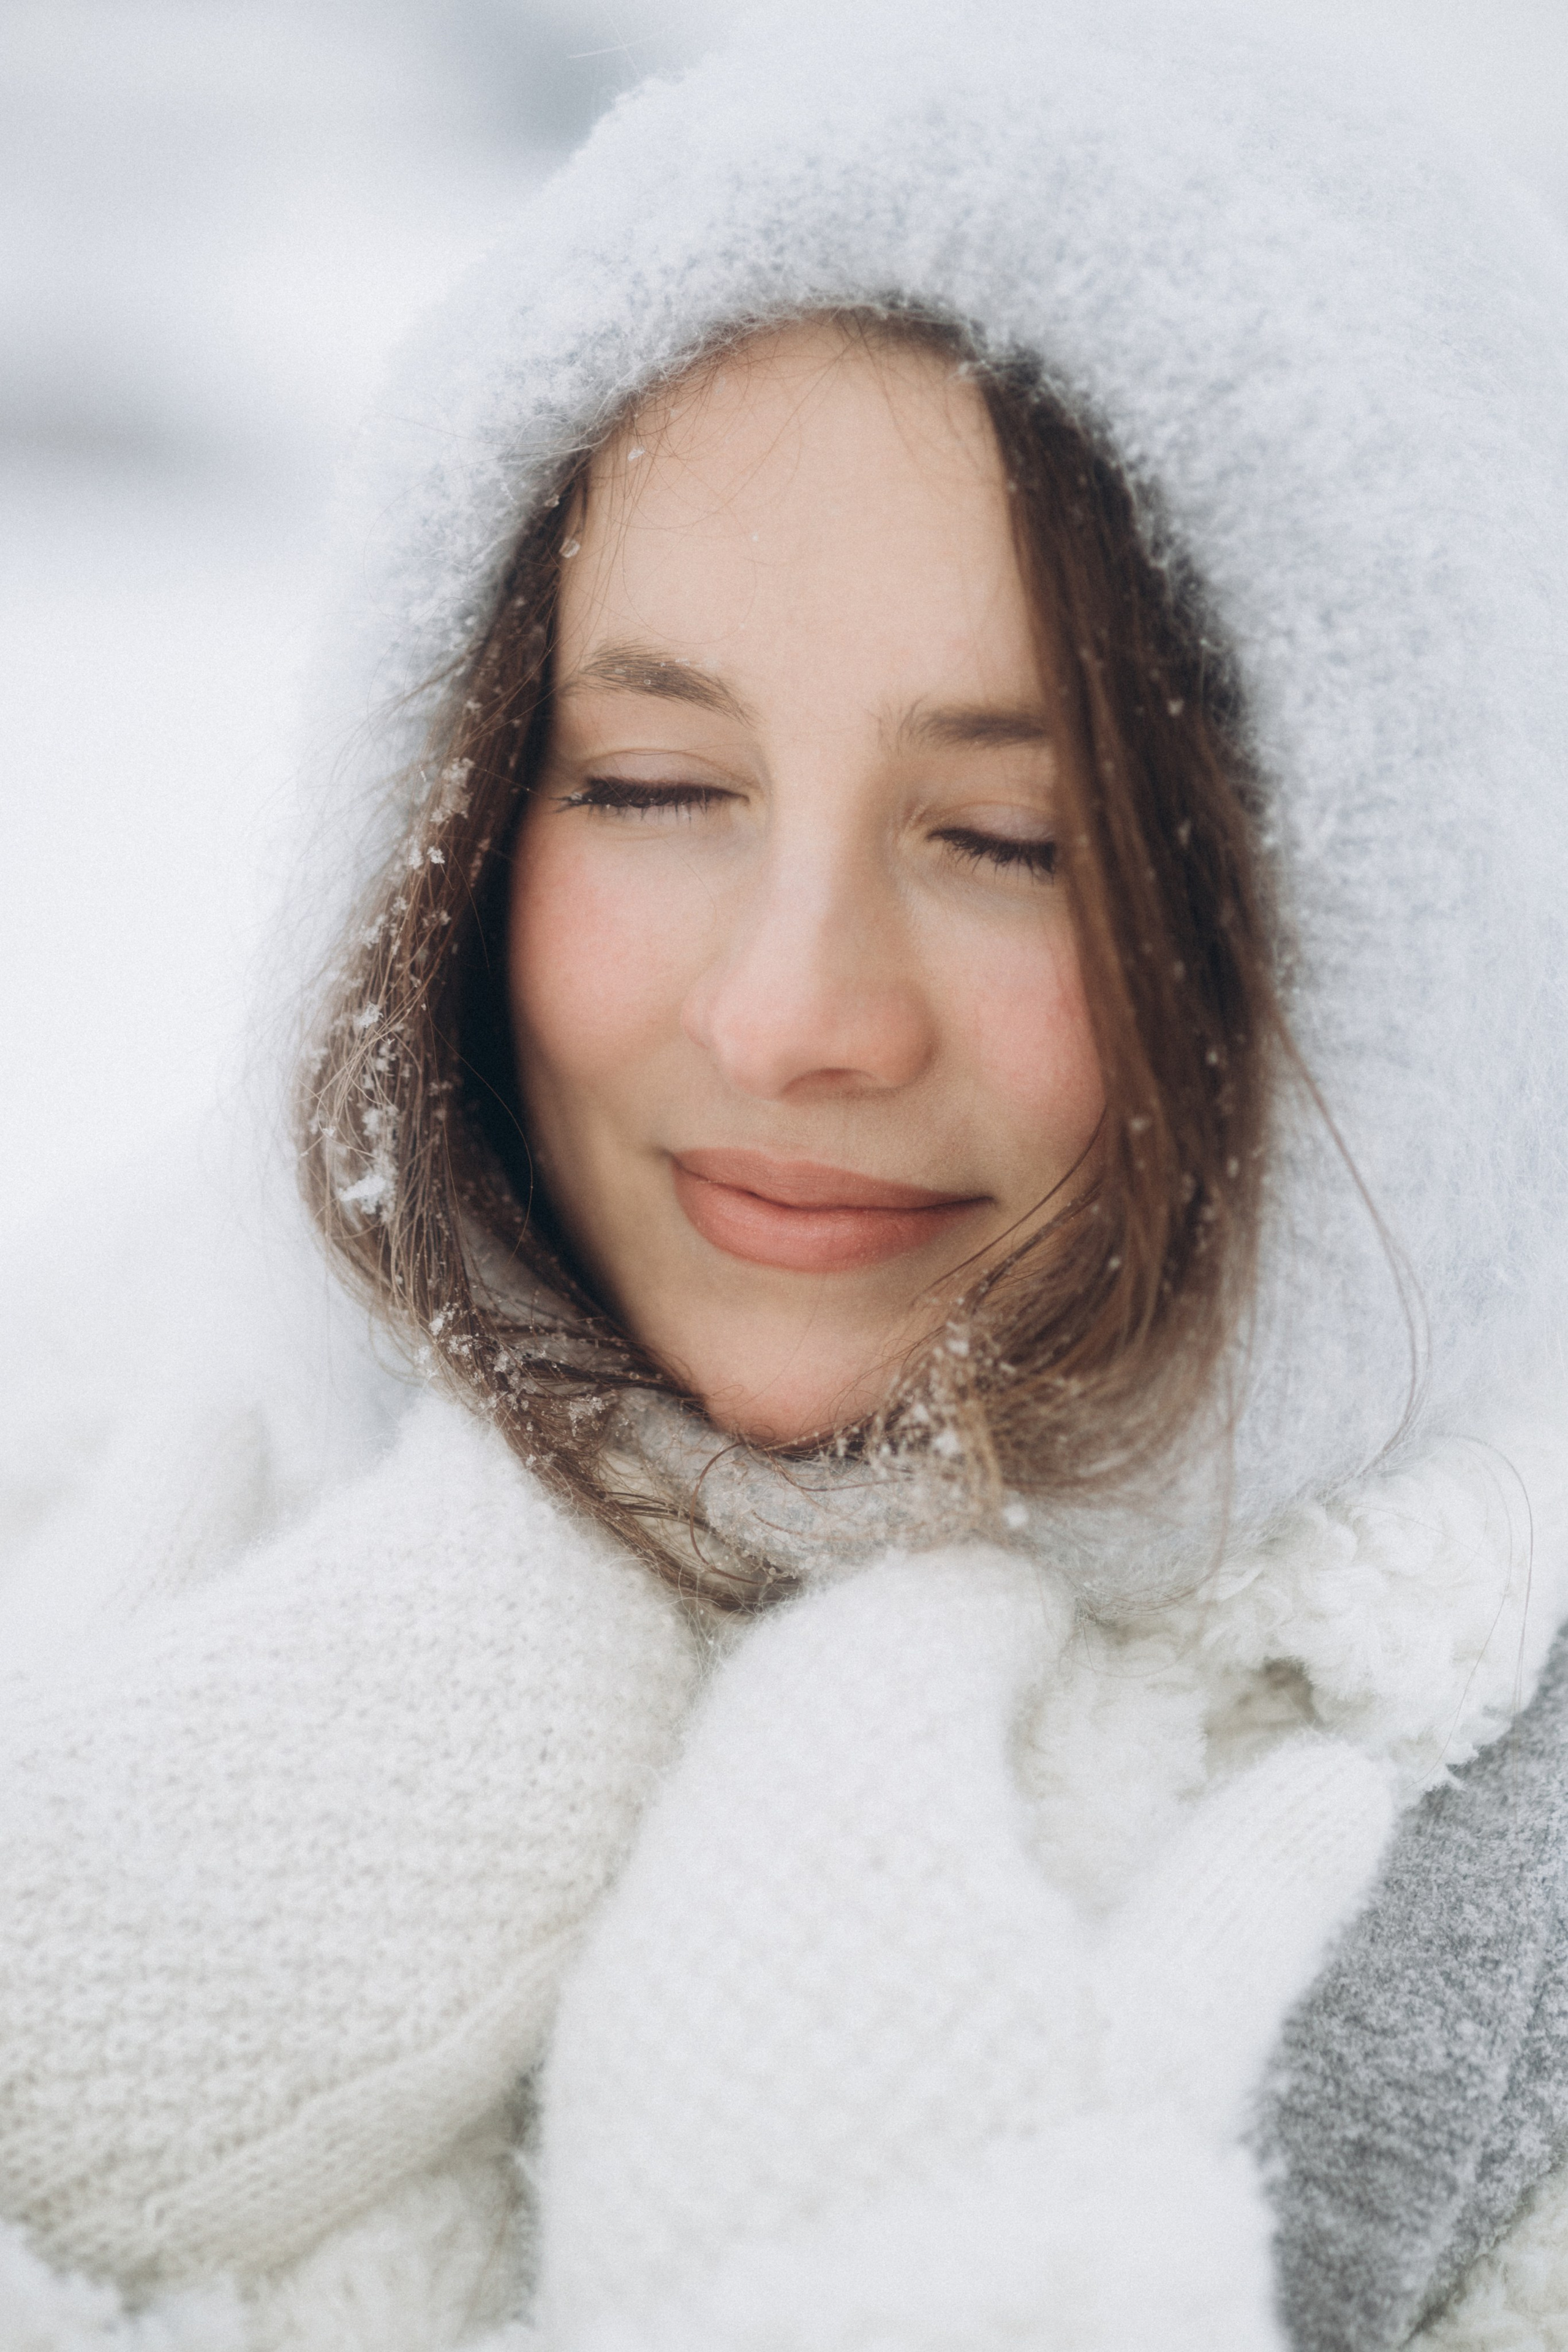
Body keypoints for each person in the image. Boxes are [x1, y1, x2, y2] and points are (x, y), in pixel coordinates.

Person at [2, 5, 1567, 2348]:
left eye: (1013, 841)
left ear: (1365, 945)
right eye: (646, 784)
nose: (790, 1014)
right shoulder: (97, 1436)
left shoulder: (1473, 1919)